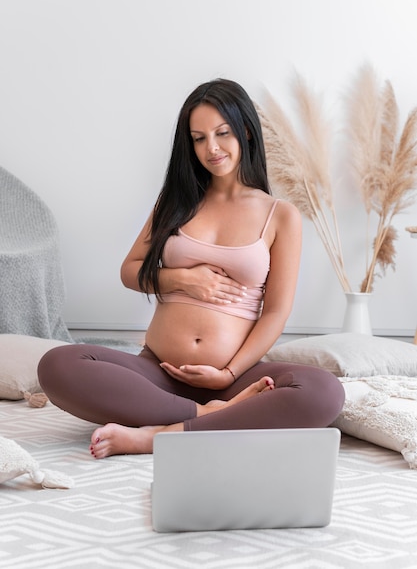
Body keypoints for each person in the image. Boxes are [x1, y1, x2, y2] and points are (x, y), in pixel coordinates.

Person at [38, 78, 345, 458]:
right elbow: (130, 271)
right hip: (159, 372)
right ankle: (205, 417)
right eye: (199, 138)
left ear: (246, 132)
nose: (211, 148)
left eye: (222, 133)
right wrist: (182, 278)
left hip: (233, 378)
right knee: (58, 364)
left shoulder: (280, 215)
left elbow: (277, 312)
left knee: (324, 392)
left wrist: (229, 374)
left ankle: (158, 435)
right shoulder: (175, 201)